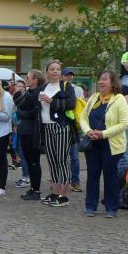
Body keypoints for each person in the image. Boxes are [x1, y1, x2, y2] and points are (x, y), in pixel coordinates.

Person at [79, 70, 128, 218]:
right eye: (100, 79)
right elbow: (83, 118)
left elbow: (124, 123)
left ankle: (111, 207)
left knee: (110, 175)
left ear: (113, 83)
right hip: (93, 143)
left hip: (111, 144)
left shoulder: (119, 99)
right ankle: (90, 206)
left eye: (105, 79)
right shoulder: (94, 98)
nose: (101, 82)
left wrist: (103, 133)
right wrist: (88, 131)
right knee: (92, 174)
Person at [39, 60, 76, 208]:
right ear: (47, 72)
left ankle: (64, 196)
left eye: (58, 69)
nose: (55, 71)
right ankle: (55, 193)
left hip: (61, 126)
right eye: (52, 69)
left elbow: (71, 103)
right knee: (52, 161)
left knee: (62, 161)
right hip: (47, 127)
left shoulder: (66, 86)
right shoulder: (44, 87)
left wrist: (51, 101)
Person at [16, 70, 46, 201]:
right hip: (25, 130)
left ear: (35, 80)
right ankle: (33, 188)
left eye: (28, 77)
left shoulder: (39, 93)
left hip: (33, 132)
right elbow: (20, 108)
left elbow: (35, 111)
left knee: (34, 161)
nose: (26, 79)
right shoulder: (29, 92)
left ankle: (36, 190)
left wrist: (23, 113)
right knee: (29, 161)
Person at [62, 69, 85, 192]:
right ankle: (61, 180)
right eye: (67, 75)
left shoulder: (78, 89)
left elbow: (79, 106)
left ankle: (75, 181)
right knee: (60, 157)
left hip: (73, 126)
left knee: (74, 157)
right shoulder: (57, 87)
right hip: (60, 125)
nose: (69, 77)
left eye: (71, 75)